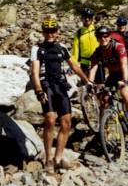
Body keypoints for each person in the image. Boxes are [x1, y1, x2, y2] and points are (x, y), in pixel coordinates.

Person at [31, 17, 91, 174]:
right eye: (47, 31)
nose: (50, 34)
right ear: (43, 32)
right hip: (46, 86)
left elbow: (74, 66)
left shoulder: (62, 47)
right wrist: (38, 90)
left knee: (66, 123)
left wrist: (87, 81)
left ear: (57, 32)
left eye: (53, 31)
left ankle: (58, 158)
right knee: (50, 119)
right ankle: (48, 159)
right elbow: (34, 72)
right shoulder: (37, 49)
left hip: (60, 86)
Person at [88, 25, 128, 132]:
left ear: (110, 36)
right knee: (104, 99)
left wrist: (125, 81)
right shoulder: (98, 52)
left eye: (105, 36)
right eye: (100, 37)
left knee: (124, 93)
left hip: (127, 71)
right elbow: (93, 68)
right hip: (114, 74)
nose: (103, 39)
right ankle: (102, 127)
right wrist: (90, 82)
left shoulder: (118, 47)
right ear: (97, 38)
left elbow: (124, 65)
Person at [71, 7, 104, 84]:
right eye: (85, 17)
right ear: (82, 18)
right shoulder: (78, 33)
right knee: (86, 88)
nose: (87, 19)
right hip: (84, 64)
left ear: (92, 18)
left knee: (100, 87)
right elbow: (75, 51)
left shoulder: (97, 31)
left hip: (98, 63)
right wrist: (74, 65)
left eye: (89, 17)